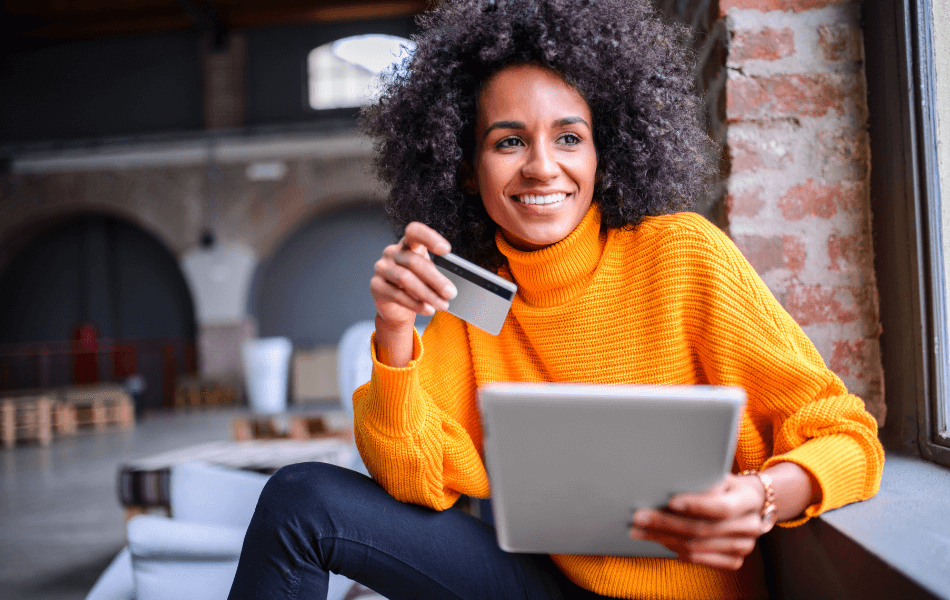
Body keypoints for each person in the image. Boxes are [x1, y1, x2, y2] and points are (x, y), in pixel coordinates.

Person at [228, 0, 884, 598]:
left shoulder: (683, 256)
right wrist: (396, 333)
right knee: (300, 497)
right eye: (509, 140)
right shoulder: (470, 296)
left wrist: (764, 495)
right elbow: (417, 480)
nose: (542, 166)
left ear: (606, 151)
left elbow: (849, 436)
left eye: (569, 137)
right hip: (552, 589)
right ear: (464, 164)